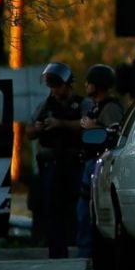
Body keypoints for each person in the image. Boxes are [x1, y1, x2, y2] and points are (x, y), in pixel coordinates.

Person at [26, 63, 85, 260]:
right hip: (52, 164)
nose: (55, 91)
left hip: (75, 162)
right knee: (52, 209)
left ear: (68, 85)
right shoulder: (45, 106)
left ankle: (81, 249)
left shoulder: (81, 104)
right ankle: (57, 252)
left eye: (58, 86)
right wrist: (39, 127)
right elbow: (29, 132)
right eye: (52, 87)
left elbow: (88, 124)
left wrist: (61, 124)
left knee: (77, 207)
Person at [75, 64, 125, 260]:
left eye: (90, 82)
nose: (86, 85)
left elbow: (115, 136)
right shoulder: (96, 106)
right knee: (83, 213)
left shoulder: (111, 108)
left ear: (98, 84)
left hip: (100, 165)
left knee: (89, 213)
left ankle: (88, 255)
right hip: (89, 163)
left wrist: (93, 127)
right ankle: (85, 253)